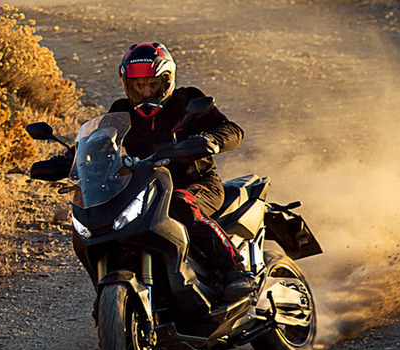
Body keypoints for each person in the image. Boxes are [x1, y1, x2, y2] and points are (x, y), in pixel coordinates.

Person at [33, 42, 253, 303]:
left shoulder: (187, 100)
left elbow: (231, 129)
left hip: (197, 183)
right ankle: (112, 297)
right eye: (139, 86)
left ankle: (234, 270)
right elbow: (99, 142)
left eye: (153, 85)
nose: (146, 92)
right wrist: (67, 160)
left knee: (182, 205)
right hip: (147, 186)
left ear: (167, 81)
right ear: (128, 85)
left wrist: (211, 140)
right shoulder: (121, 110)